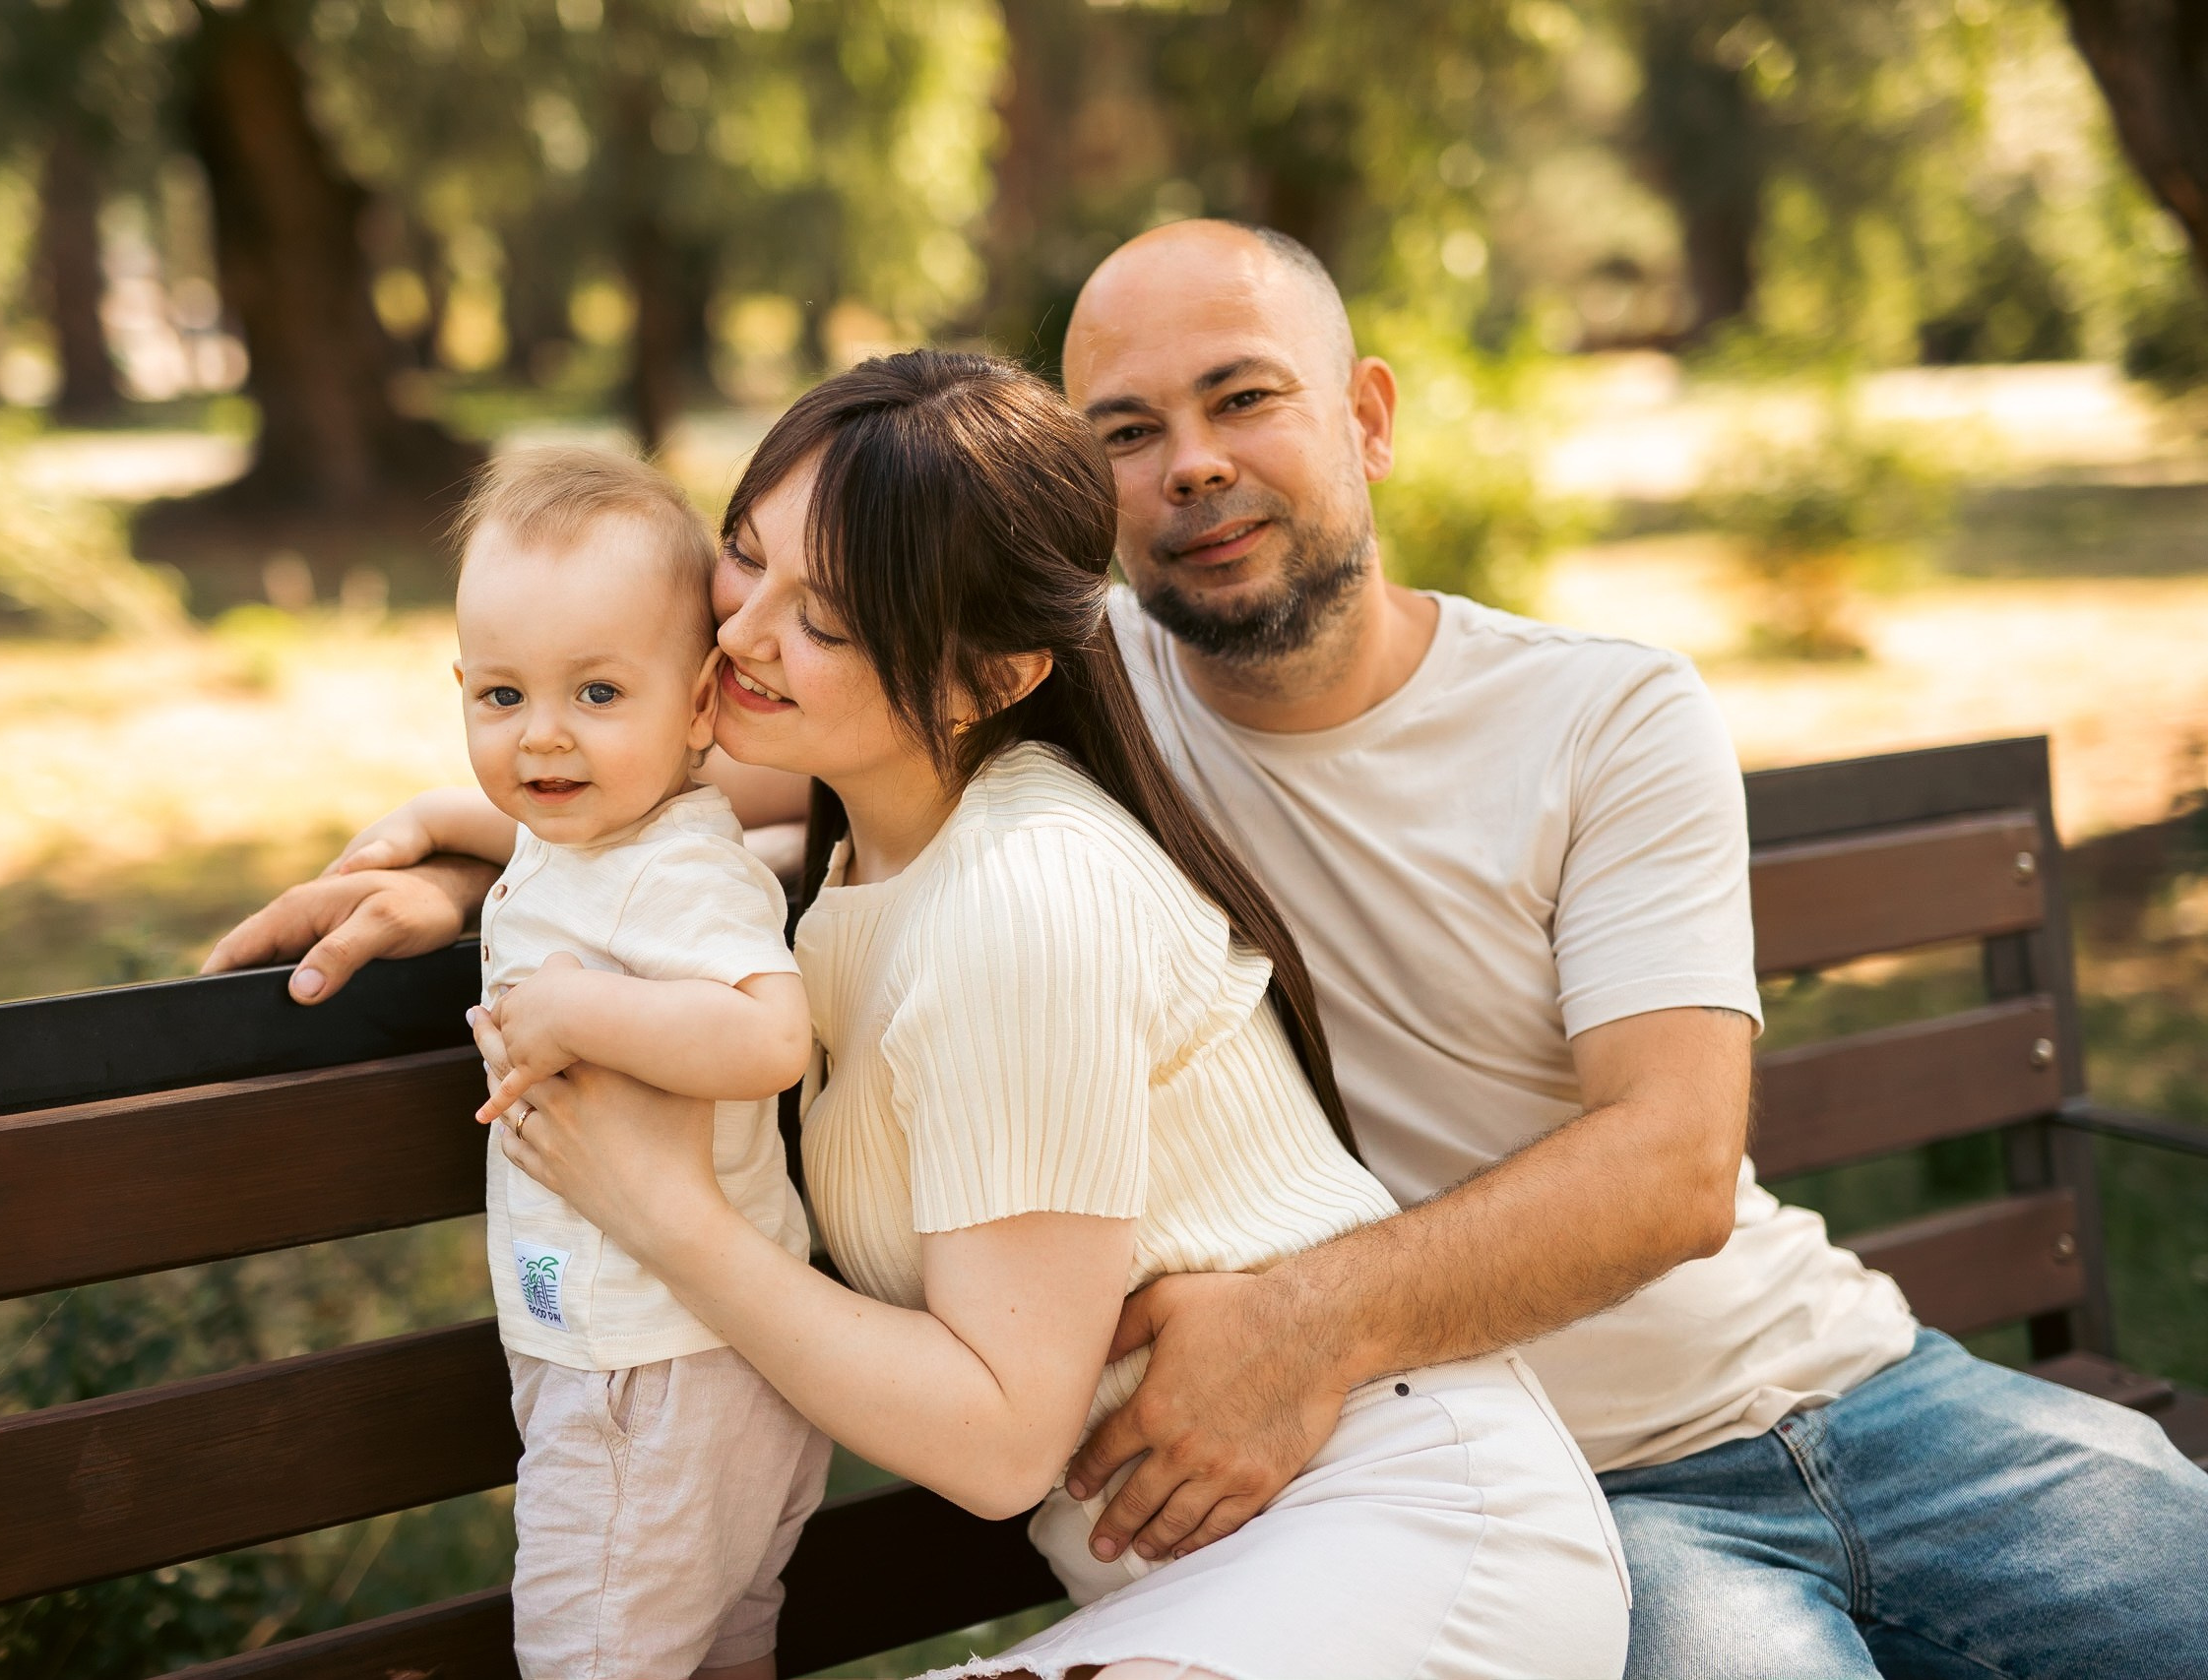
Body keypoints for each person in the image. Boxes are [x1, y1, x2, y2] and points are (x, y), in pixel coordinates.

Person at [211, 220, 2208, 1677]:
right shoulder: (1049, 738)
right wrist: (480, 868)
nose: (1189, 465)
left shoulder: (1568, 719)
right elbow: (688, 771)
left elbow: (1673, 1166)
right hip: (1474, 1514)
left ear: (1364, 414)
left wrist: (1302, 1321)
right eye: (1126, 429)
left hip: (1762, 1393)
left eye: (1240, 398)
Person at [322, 352, 1630, 1679]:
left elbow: (1003, 1443)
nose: (741, 635)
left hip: (1394, 1548)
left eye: (826, 620)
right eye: (745, 556)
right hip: (1218, 1586)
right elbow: (660, 846)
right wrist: (463, 858)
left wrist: (664, 1213)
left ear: (989, 677)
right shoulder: (874, 848)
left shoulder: (1024, 895)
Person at [376, 445, 829, 1680]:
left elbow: (769, 1038)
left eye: (597, 693)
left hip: (643, 1375)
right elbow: (543, 829)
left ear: (701, 705)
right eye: (502, 697)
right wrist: (432, 820)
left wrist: (581, 1011)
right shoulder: (597, 834)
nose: (543, 739)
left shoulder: (677, 874)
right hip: (682, 1356)